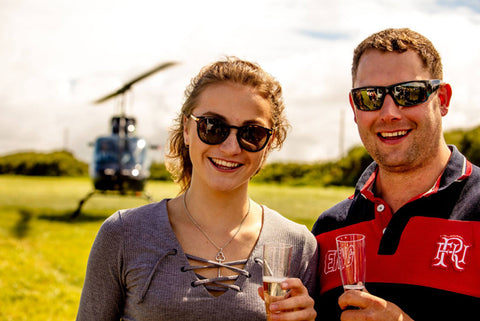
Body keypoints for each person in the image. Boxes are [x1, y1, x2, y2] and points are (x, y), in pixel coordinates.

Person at [76, 57, 318, 321]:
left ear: (269, 144)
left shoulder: (300, 246)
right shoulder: (123, 235)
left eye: (252, 133)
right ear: (187, 129)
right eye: (213, 127)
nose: (231, 147)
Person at [312, 28, 480, 320]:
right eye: (370, 97)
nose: (389, 112)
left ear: (442, 99)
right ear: (354, 108)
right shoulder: (328, 229)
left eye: (409, 93)